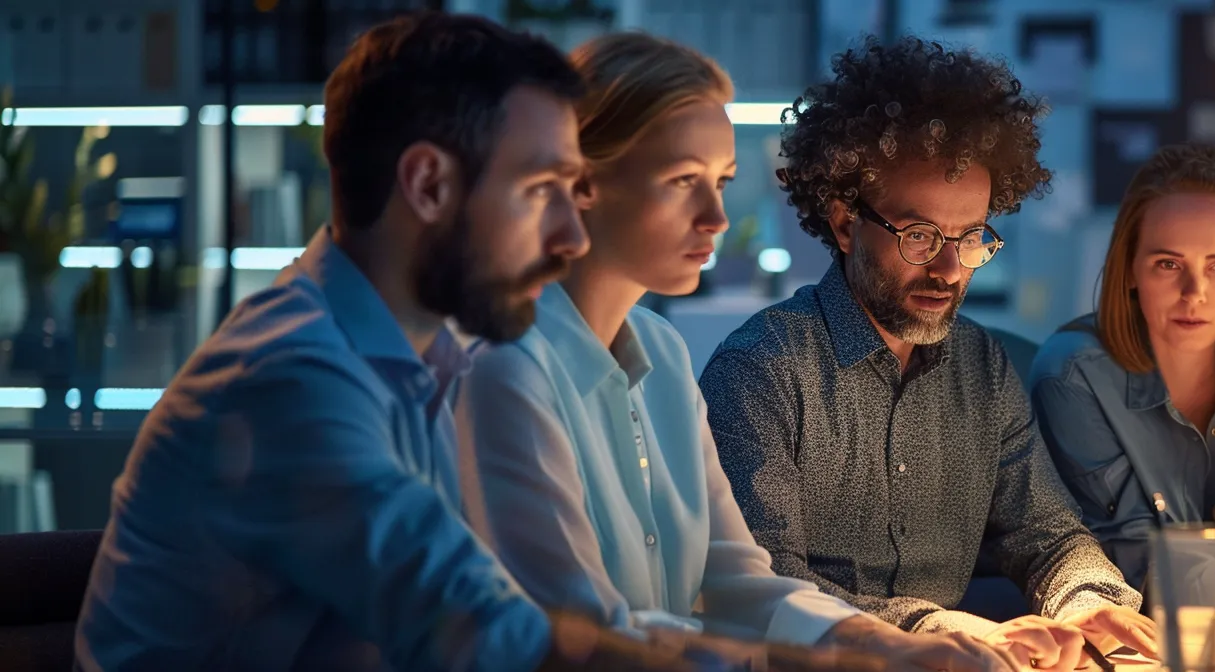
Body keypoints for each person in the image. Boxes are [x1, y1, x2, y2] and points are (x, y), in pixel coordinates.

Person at [69, 14, 763, 672]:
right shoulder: (293, 379)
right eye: (540, 190)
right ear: (429, 185)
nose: (572, 238)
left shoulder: (418, 362)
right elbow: (504, 641)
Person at [453, 33, 1017, 672]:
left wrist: (885, 644)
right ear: (581, 182)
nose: (716, 217)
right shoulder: (504, 368)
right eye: (683, 180)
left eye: (720, 181)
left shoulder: (662, 353)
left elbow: (735, 579)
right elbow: (588, 639)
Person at [699, 35, 1159, 672]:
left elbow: (1045, 533)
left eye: (971, 238)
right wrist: (931, 627)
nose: (950, 268)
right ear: (842, 222)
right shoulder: (762, 371)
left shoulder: (982, 366)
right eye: (919, 235)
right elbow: (765, 590)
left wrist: (1087, 600)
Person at [1027, 145, 1215, 592]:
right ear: (1130, 271)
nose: (1194, 292)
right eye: (1168, 264)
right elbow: (1148, 582)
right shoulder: (1074, 376)